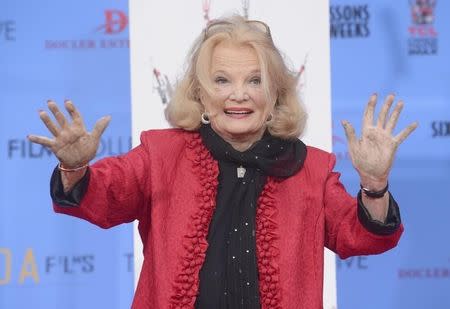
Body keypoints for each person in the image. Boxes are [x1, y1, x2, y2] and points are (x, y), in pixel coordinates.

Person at [28, 16, 417, 309]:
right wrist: (75, 168)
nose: (239, 96)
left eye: (254, 80)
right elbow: (106, 194)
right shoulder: (162, 154)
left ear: (275, 93)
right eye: (221, 80)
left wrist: (375, 183)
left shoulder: (310, 169)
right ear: (200, 92)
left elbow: (361, 235)